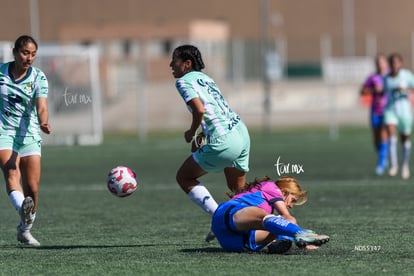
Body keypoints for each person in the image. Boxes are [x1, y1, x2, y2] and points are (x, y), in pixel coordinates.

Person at [169, 45, 250, 222]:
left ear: (187, 64)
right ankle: (265, 229)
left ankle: (220, 219)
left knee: (184, 177)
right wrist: (202, 135)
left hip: (225, 140)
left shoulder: (183, 81)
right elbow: (215, 110)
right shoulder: (207, 79)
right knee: (240, 193)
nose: (171, 65)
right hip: (241, 132)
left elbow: (199, 111)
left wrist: (191, 133)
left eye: (174, 60)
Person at [0, 35, 51, 246]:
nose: (29, 58)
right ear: (14, 52)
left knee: (33, 188)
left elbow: (42, 106)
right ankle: (24, 209)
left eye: (32, 54)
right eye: (24, 53)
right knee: (11, 173)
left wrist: (43, 121)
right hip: (4, 132)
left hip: (29, 134)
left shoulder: (38, 77)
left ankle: (24, 229)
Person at [211, 176, 330, 253]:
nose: (292, 205)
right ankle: (300, 233)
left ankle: (282, 241)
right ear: (284, 192)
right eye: (292, 200)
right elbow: (286, 216)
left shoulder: (261, 196)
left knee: (275, 227)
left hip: (229, 240)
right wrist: (299, 234)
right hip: (229, 216)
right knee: (286, 220)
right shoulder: (271, 187)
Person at [383, 53, 414, 179]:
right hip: (391, 110)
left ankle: (405, 165)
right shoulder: (387, 78)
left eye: (396, 62)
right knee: (391, 135)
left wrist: (405, 90)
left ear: (400, 63)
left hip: (404, 111)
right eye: (392, 62)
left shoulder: (406, 75)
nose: (394, 65)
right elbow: (385, 92)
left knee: (405, 139)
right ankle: (394, 165)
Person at [360, 54, 389, 175]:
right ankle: (383, 154)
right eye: (378, 62)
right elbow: (362, 90)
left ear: (386, 63)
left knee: (384, 134)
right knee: (376, 139)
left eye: (382, 62)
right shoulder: (373, 77)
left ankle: (381, 163)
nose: (380, 64)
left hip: (387, 110)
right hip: (375, 110)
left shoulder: (390, 76)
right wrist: (373, 90)